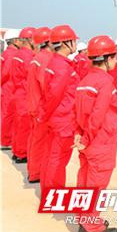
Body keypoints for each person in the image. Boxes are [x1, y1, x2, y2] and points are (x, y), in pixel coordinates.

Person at [73, 35, 117, 232]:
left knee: (84, 181)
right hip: (100, 141)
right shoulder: (104, 82)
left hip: (88, 139)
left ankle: (84, 220)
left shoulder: (85, 81)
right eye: (115, 57)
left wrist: (79, 134)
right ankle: (93, 227)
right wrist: (86, 138)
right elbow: (98, 114)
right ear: (107, 58)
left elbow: (78, 112)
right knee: (96, 184)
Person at [40, 25, 80, 198]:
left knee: (51, 156)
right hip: (63, 120)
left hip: (57, 118)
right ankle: (53, 195)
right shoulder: (62, 67)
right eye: (73, 41)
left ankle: (48, 191)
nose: (76, 44)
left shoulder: (55, 62)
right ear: (66, 43)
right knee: (58, 159)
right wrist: (47, 116)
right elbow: (54, 96)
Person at [26, 27, 53, 183]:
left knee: (35, 139)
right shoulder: (45, 59)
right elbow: (46, 86)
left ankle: (33, 170)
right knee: (40, 142)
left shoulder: (38, 57)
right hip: (41, 107)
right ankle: (36, 173)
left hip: (34, 104)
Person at [11, 27, 36, 163]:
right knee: (24, 125)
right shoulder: (27, 56)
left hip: (18, 91)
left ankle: (17, 151)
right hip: (24, 93)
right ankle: (22, 153)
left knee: (18, 124)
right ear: (30, 40)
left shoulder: (18, 54)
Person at [1, 29, 21, 150]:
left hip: (7, 85)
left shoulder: (7, 53)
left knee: (6, 113)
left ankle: (5, 139)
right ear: (14, 41)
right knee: (8, 113)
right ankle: (6, 140)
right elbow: (6, 72)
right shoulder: (12, 54)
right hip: (9, 85)